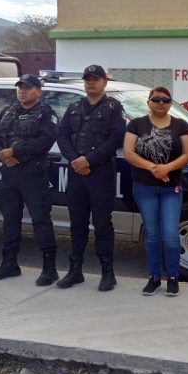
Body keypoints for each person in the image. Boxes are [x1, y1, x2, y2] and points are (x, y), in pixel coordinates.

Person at [0, 74, 59, 286]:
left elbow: (45, 140)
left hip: (33, 174)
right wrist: (1, 153)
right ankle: (9, 264)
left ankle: (49, 269)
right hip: (9, 174)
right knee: (10, 220)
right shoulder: (7, 111)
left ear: (38, 91)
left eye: (27, 88)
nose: (22, 91)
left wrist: (15, 151)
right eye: (19, 87)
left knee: (41, 221)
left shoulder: (46, 114)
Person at [56, 65, 126, 291]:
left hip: (101, 173)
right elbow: (62, 135)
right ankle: (75, 271)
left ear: (104, 82)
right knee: (77, 224)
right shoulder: (74, 106)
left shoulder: (114, 107)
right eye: (87, 79)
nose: (90, 83)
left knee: (102, 224)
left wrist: (89, 160)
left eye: (95, 79)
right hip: (77, 173)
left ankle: (108, 273)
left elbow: (116, 138)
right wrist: (76, 160)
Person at [123, 87, 188, 296]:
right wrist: (154, 168)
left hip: (172, 187)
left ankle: (173, 277)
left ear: (171, 103)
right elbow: (128, 153)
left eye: (166, 100)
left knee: (171, 234)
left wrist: (167, 168)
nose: (161, 103)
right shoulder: (136, 124)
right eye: (157, 99)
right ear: (149, 102)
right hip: (144, 187)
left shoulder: (181, 125)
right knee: (152, 234)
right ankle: (154, 277)